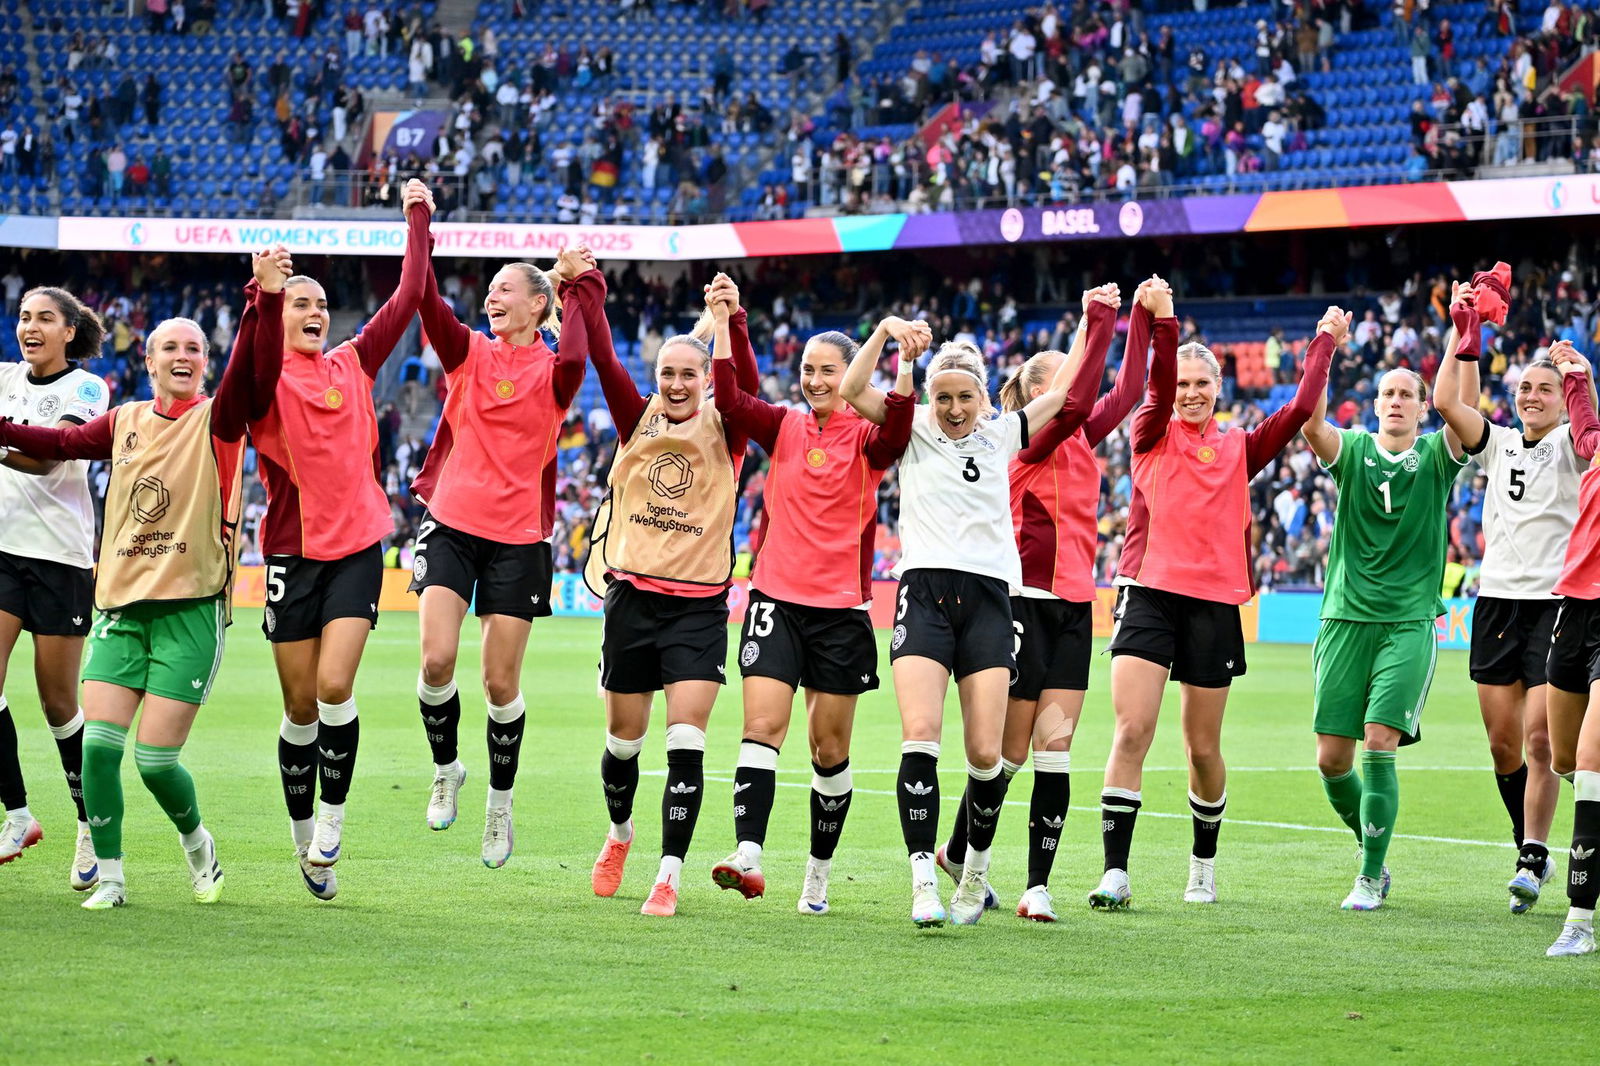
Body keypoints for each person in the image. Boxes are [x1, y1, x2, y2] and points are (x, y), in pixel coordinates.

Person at [0, 248, 290, 909]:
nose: (183, 355)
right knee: (100, 752)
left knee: (155, 762)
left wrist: (262, 299)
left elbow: (256, 368)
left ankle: (197, 845)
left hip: (189, 611)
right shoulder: (124, 419)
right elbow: (57, 446)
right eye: (170, 347)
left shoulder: (218, 419)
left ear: (205, 363)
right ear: (150, 362)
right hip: (120, 607)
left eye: (194, 347)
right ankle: (110, 876)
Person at [840, 320, 1095, 928]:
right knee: (921, 735)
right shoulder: (913, 430)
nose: (954, 408)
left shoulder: (1005, 434)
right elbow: (854, 388)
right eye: (943, 396)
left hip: (989, 601)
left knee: (986, 753)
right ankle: (923, 882)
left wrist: (1089, 323)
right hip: (923, 592)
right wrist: (884, 337)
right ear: (930, 397)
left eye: (964, 396)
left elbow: (1066, 394)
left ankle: (974, 874)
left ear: (985, 397)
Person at [1091, 287, 1335, 911]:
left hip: (1213, 604)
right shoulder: (1150, 433)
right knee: (1131, 730)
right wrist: (1165, 322)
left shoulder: (1240, 449)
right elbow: (1156, 378)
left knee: (1201, 747)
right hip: (1147, 593)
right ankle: (1115, 871)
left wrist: (1326, 338)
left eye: (1204, 383)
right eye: (1184, 383)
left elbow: (1305, 404)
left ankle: (1203, 866)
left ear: (1220, 388)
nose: (1191, 392)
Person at [935, 282, 1143, 923]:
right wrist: (1099, 318)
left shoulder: (1080, 438)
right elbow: (1082, 395)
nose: (1075, 387)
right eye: (1059, 379)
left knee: (1055, 749)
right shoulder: (1020, 440)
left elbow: (1126, 393)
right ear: (1031, 395)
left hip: (1077, 607)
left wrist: (1145, 321)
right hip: (1022, 600)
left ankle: (1036, 887)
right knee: (1008, 755)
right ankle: (963, 858)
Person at [254, 179, 433, 900]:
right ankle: (304, 843)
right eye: (302, 302)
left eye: (323, 304)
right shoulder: (265, 378)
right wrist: (265, 296)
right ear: (279, 313)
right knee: (298, 708)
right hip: (291, 555)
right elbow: (249, 355)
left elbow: (412, 292)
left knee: (334, 687)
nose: (317, 312)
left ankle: (332, 819)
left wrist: (417, 215)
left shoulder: (355, 363)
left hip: (358, 547)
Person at [706, 316, 919, 915]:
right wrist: (725, 321)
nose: (815, 380)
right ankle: (748, 854)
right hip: (775, 600)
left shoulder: (868, 438)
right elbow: (726, 396)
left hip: (841, 615)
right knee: (761, 729)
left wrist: (891, 346)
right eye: (807, 370)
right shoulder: (783, 425)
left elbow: (899, 425)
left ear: (849, 374)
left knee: (828, 749)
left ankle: (818, 875)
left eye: (829, 370)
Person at [410, 242, 595, 870]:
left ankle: (500, 803)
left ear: (537, 303)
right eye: (489, 289)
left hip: (518, 539)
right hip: (453, 524)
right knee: (436, 661)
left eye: (505, 288)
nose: (491, 296)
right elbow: (422, 294)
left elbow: (575, 348)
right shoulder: (467, 351)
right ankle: (446, 769)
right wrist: (420, 224)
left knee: (498, 681)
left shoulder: (557, 373)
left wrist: (576, 284)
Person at [582, 271, 757, 918]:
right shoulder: (637, 418)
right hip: (630, 603)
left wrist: (731, 319)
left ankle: (668, 874)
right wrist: (588, 293)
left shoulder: (728, 428)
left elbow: (749, 387)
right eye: (668, 374)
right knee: (624, 742)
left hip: (698, 609)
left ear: (707, 379)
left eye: (690, 374)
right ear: (655, 378)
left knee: (686, 742)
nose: (678, 384)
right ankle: (621, 833)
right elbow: (602, 357)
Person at [1301, 312, 1468, 912]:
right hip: (1344, 618)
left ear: (1424, 409)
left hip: (1408, 622)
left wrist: (1461, 336)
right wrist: (1326, 347)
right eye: (1388, 394)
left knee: (1378, 742)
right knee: (1331, 759)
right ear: (1374, 405)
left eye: (1408, 395)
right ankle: (1373, 848)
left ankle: (1368, 877)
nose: (1397, 402)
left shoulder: (1436, 456)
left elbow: (1463, 412)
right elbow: (1309, 422)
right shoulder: (1351, 451)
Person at [1431, 279, 1587, 914]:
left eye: (1544, 389)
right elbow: (1445, 400)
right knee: (1501, 744)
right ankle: (1527, 841)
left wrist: (1579, 378)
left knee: (1540, 740)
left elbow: (1589, 423)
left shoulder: (1576, 447)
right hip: (1496, 603)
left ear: (1559, 400)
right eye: (1524, 387)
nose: (1531, 396)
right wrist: (1464, 332)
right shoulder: (1496, 444)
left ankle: (1535, 853)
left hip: (1554, 604)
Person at [0, 287, 111, 891]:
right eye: (23, 317)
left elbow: (46, 461)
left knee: (58, 704)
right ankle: (18, 815)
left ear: (70, 331)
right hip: (3, 553)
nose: (30, 327)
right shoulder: (5, 380)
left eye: (44, 318)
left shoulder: (87, 390)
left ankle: (89, 822)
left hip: (61, 560)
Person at [1543, 339, 1600, 956]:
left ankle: (1579, 921)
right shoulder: (1596, 448)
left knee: (1589, 764)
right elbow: (1585, 432)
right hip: (1574, 608)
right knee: (1563, 757)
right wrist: (1575, 375)